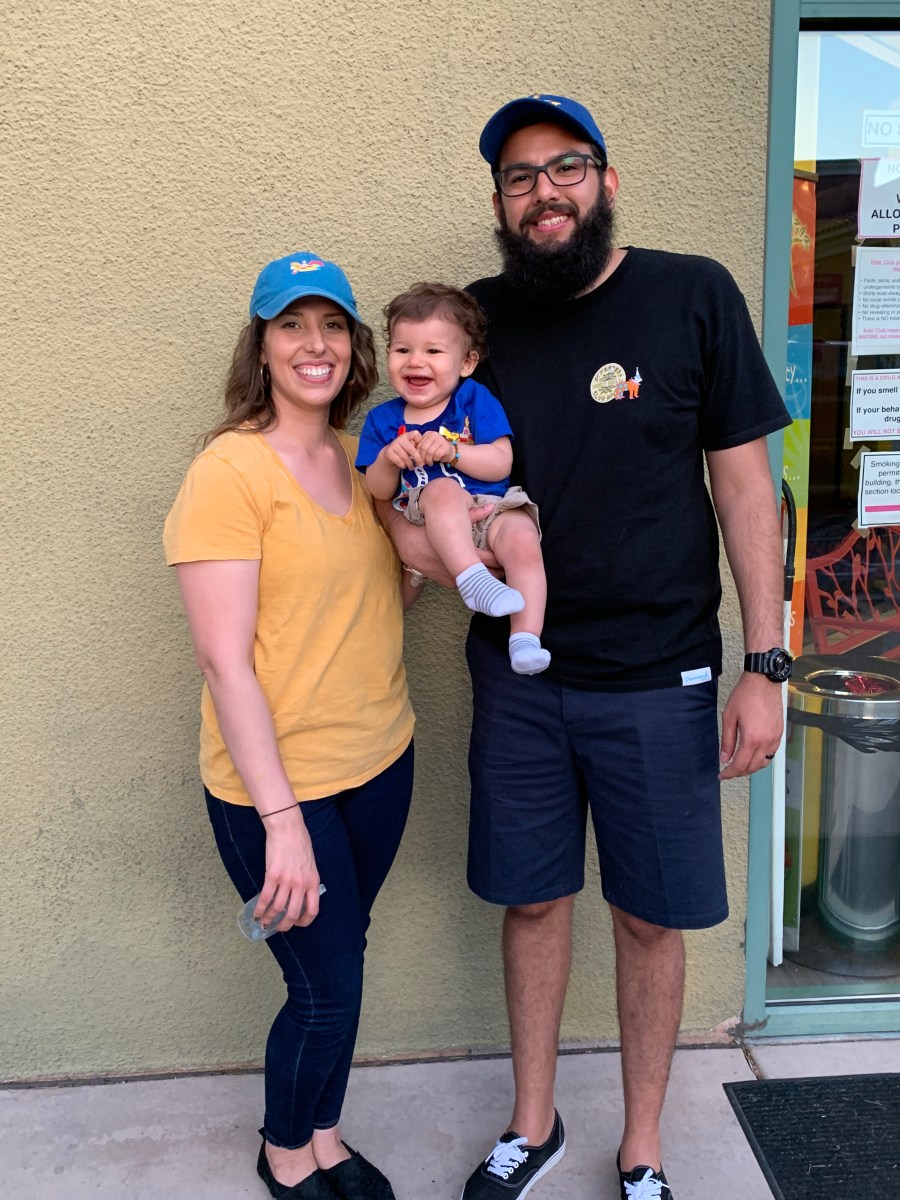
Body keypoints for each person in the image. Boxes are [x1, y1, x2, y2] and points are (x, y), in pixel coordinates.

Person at [383, 95, 792, 1200]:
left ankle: (645, 1144)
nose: (544, 192)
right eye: (519, 178)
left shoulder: (692, 293)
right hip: (519, 681)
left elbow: (750, 490)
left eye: (565, 168)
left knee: (650, 918)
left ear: (606, 183)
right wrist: (426, 552)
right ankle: (533, 1123)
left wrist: (767, 664)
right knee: (531, 899)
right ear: (502, 205)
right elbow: (405, 473)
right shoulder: (472, 325)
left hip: (662, 676)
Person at [163, 251, 417, 1200]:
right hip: (279, 788)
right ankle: (284, 1153)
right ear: (262, 347)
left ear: (352, 347)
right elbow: (224, 659)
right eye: (291, 325)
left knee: (340, 964)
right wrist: (281, 824)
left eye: (332, 326)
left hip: (380, 761)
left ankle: (325, 1133)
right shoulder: (229, 470)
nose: (314, 344)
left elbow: (371, 589)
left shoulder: (359, 460)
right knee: (321, 990)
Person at [356, 282, 550, 675]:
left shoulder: (473, 399)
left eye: (433, 351)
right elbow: (376, 490)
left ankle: (525, 638)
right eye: (402, 349)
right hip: (429, 516)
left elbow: (500, 463)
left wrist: (454, 452)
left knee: (525, 539)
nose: (415, 362)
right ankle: (472, 578)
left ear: (466, 363)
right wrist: (389, 461)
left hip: (489, 509)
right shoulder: (384, 420)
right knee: (441, 488)